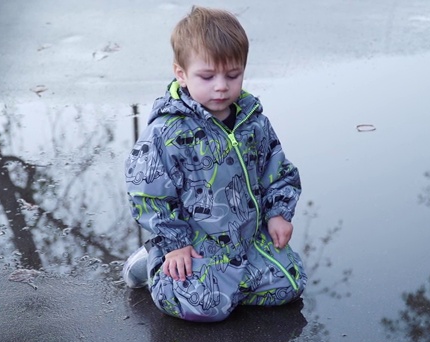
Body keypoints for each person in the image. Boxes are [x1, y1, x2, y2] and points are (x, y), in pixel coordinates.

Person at [123, 5, 307, 322]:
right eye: (207, 77)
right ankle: (155, 262)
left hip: (247, 239)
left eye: (232, 75)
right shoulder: (167, 132)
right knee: (204, 308)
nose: (221, 86)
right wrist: (174, 244)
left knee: (290, 282)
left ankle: (229, 284)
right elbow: (148, 193)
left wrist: (278, 213)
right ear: (181, 74)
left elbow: (277, 170)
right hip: (196, 244)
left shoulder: (253, 122)